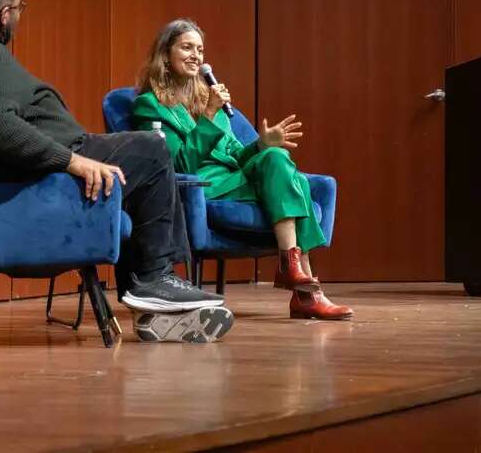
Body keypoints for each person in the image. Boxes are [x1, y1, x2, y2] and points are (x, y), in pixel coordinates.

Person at [0, 0, 233, 343]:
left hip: (35, 168)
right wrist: (73, 161)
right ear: (4, 16)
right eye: (19, 8)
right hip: (51, 170)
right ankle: (154, 279)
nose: (18, 16)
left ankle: (153, 309)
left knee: (136, 160)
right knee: (150, 150)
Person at [132, 18, 353, 320]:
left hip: (237, 178)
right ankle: (308, 293)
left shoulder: (205, 98)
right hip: (205, 185)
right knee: (294, 184)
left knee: (276, 158)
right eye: (187, 47)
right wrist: (209, 113)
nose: (196, 55)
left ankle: (293, 271)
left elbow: (237, 154)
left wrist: (262, 144)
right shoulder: (150, 105)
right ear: (166, 55)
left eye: (200, 49)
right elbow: (178, 164)